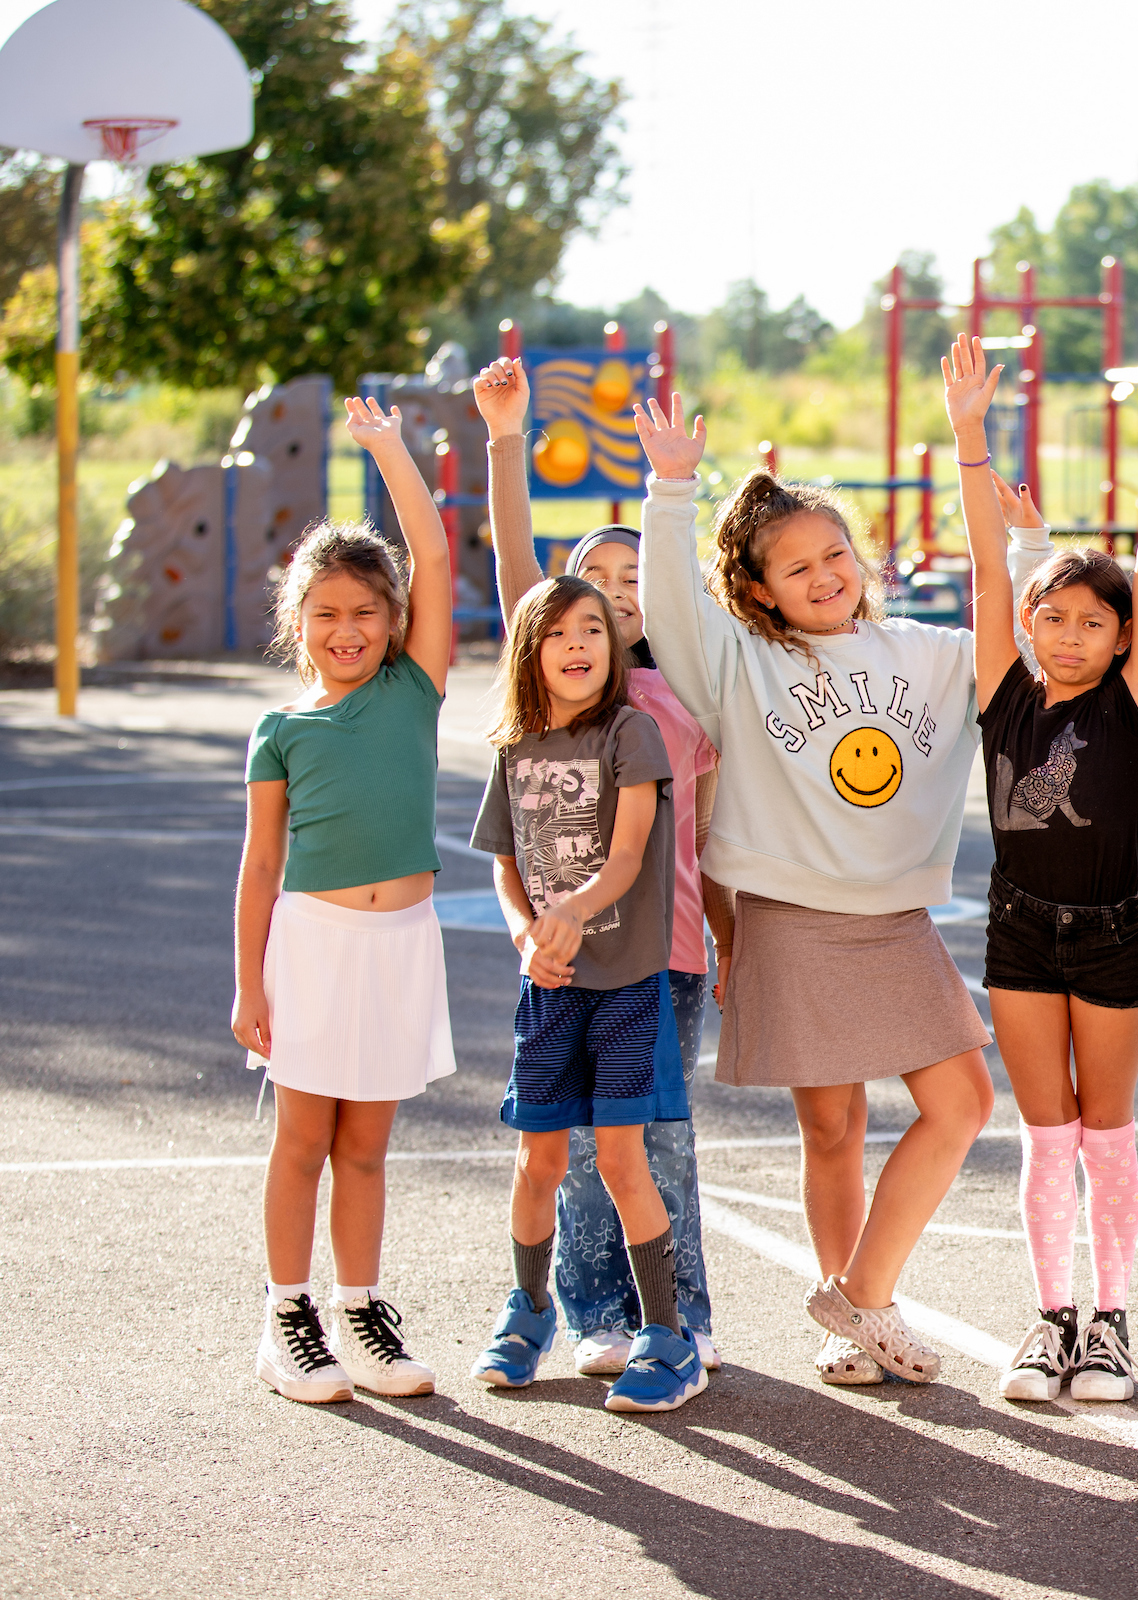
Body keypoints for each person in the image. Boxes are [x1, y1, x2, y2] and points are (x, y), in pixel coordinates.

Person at [634, 394, 1040, 1384]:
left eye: (835, 555)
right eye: (796, 566)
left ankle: (860, 1293)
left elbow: (1012, 629)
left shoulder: (924, 655)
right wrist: (671, 489)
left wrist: (1014, 525)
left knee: (963, 1101)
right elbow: (670, 613)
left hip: (892, 921)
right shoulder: (741, 660)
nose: (823, 576)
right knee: (832, 1125)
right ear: (762, 592)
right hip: (792, 917)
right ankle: (848, 1312)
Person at [942, 334, 1138, 1403]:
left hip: (1109, 929)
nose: (1065, 634)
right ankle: (1052, 1320)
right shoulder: (1003, 687)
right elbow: (985, 562)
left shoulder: (1129, 708)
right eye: (1051, 616)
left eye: (1093, 624)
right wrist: (966, 434)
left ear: (1122, 640)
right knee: (1044, 1133)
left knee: (1107, 1128)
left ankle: (1115, 1325)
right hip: (1016, 927)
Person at [473, 357, 722, 1380]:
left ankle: (684, 1317)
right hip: (568, 955)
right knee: (572, 1154)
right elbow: (514, 572)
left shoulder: (678, 693)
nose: (617, 598)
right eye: (593, 584)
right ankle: (595, 1315)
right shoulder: (549, 707)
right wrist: (504, 439)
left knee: (655, 1146)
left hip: (662, 954)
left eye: (635, 581)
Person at [234, 396, 454, 1405]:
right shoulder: (281, 728)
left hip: (401, 941)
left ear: (394, 621)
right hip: (312, 945)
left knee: (366, 1147)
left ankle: (360, 1308)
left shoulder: (415, 688)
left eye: (366, 611)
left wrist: (388, 449)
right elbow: (260, 866)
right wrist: (250, 985)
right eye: (325, 613)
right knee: (304, 1139)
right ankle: (291, 1316)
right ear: (299, 623)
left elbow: (436, 556)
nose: (348, 628)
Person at [466, 575, 704, 1414]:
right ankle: (529, 1313)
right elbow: (502, 864)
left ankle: (668, 1336)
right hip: (551, 987)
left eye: (593, 631)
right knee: (538, 1159)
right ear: (531, 650)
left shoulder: (630, 735)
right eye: (559, 632)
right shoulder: (516, 743)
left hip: (626, 987)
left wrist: (568, 912)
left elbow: (631, 857)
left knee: (621, 1159)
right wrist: (528, 937)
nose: (578, 646)